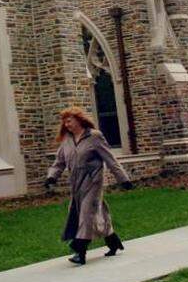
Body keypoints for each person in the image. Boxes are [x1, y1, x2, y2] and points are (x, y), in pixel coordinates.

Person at [45, 106, 134, 265]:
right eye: (64, 122)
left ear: (79, 119)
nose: (67, 124)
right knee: (93, 213)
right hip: (76, 184)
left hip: (93, 182)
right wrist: (51, 177)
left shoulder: (94, 137)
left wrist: (124, 179)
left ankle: (80, 250)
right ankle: (113, 241)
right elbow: (59, 163)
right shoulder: (67, 140)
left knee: (86, 213)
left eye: (69, 120)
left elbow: (110, 159)